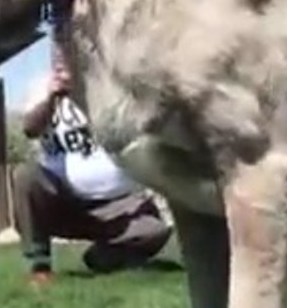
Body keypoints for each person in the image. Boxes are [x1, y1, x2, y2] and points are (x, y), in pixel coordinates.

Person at [13, 43, 172, 288]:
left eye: (68, 54)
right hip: (63, 202)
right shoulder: (41, 88)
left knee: (156, 231)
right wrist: (54, 96)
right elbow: (30, 129)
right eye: (58, 55)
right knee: (26, 176)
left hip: (118, 206)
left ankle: (103, 258)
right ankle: (39, 266)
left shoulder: (111, 83)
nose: (63, 60)